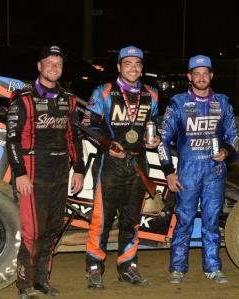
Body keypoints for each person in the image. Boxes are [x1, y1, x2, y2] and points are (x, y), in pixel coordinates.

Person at [6, 45, 85, 299]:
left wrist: (79, 169)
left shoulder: (69, 100)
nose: (54, 68)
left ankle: (42, 281)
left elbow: (75, 137)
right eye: (49, 63)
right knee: (33, 232)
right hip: (31, 171)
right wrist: (19, 172)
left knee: (52, 229)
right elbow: (12, 140)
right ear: (39, 66)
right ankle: (25, 285)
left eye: (58, 64)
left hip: (60, 172)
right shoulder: (24, 98)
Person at [82, 45, 161, 289]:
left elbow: (154, 125)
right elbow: (87, 125)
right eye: (128, 64)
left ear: (142, 68)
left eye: (138, 64)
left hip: (139, 163)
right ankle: (94, 267)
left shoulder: (152, 94)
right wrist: (108, 145)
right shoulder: (104, 92)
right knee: (101, 220)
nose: (133, 68)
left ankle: (128, 267)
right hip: (111, 164)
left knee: (132, 220)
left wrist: (156, 138)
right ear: (118, 67)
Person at [158, 55, 238, 284]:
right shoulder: (178, 103)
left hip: (215, 172)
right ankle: (177, 268)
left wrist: (225, 151)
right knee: (184, 220)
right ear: (189, 76)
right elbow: (163, 140)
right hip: (188, 172)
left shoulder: (222, 102)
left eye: (205, 73)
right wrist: (169, 172)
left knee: (212, 221)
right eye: (196, 73)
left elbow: (233, 134)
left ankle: (213, 267)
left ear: (211, 75)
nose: (201, 77)